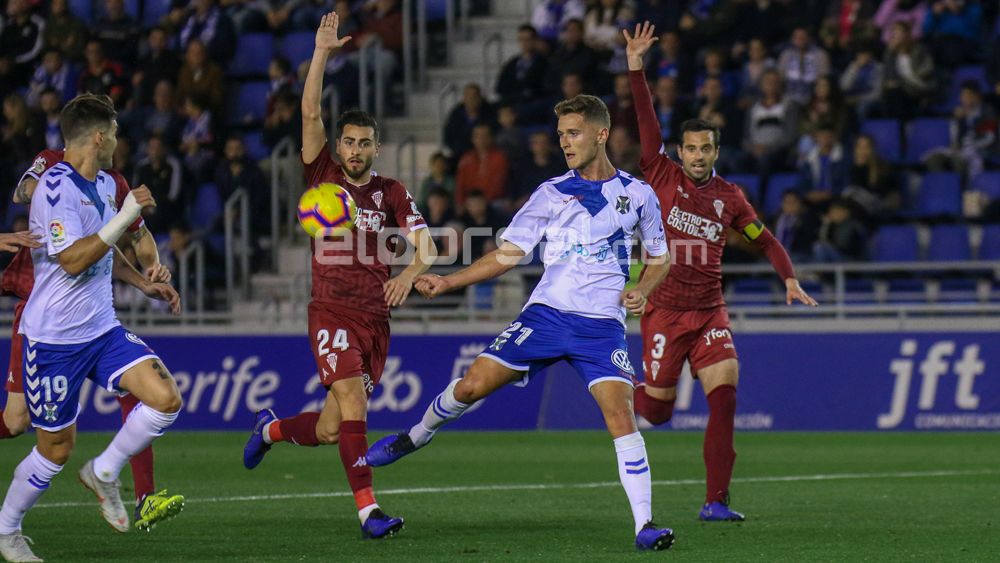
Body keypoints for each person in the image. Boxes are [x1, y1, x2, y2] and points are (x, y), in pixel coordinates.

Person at [366, 94, 677, 552]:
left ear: (601, 134)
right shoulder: (551, 193)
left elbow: (660, 258)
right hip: (546, 315)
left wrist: (643, 289)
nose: (564, 142)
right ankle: (414, 437)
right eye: (561, 135)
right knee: (470, 387)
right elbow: (508, 254)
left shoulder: (640, 194)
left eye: (573, 133)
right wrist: (449, 282)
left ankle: (644, 525)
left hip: (600, 327)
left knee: (621, 415)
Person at [241, 12, 437, 541]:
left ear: (376, 148)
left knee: (332, 427)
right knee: (354, 402)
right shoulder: (323, 174)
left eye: (363, 143)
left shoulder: (392, 192)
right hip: (331, 311)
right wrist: (322, 53)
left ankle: (271, 429)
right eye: (348, 141)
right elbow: (309, 112)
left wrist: (408, 274)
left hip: (376, 319)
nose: (353, 150)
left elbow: (428, 246)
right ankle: (369, 512)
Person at [624, 22, 818, 522]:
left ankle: (715, 501)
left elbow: (764, 238)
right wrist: (636, 67)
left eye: (705, 149)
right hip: (664, 310)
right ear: (680, 151)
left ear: (715, 151)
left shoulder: (730, 197)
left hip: (710, 312)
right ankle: (624, 391)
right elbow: (646, 119)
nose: (697, 156)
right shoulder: (660, 173)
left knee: (725, 398)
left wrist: (789, 277)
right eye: (690, 148)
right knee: (658, 412)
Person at [0, 94, 184, 562]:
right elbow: (71, 259)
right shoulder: (55, 188)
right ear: (99, 137)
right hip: (53, 340)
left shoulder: (106, 183)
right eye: (116, 133)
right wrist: (124, 216)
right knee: (55, 450)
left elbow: (113, 248)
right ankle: (7, 530)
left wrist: (144, 277)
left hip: (101, 330)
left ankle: (104, 470)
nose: (120, 142)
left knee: (166, 398)